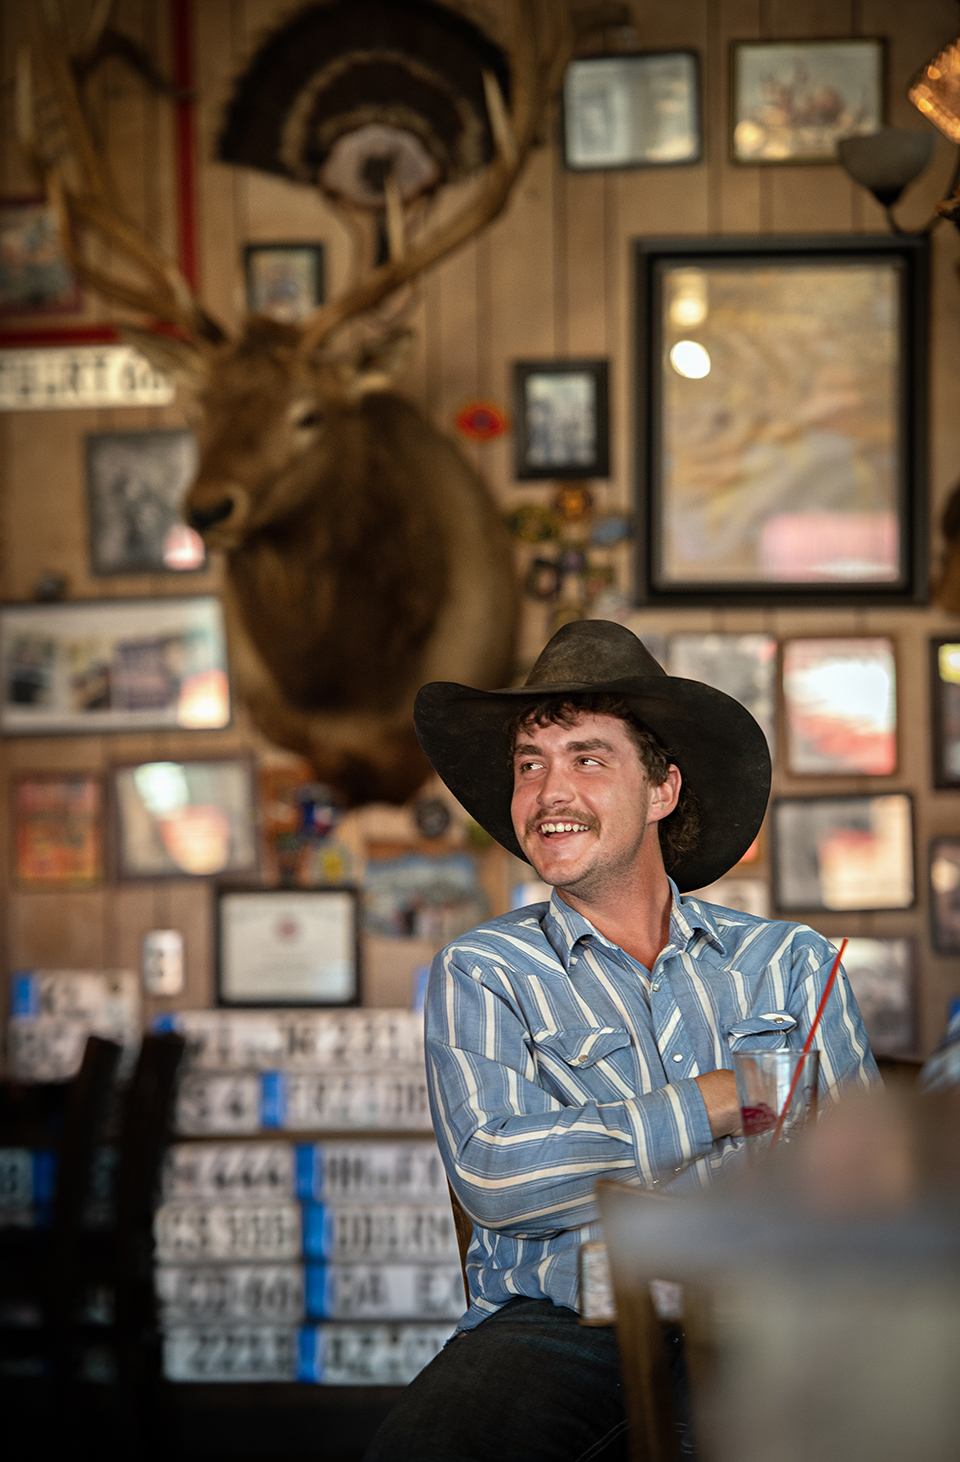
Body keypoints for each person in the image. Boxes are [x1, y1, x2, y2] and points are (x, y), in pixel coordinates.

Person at [364, 620, 879, 1462]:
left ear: (662, 790)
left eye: (588, 759)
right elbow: (498, 1176)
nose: (547, 791)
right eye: (530, 765)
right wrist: (718, 1101)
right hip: (565, 1323)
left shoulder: (792, 961)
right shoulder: (482, 969)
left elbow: (863, 1180)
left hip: (776, 1317)